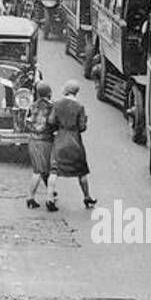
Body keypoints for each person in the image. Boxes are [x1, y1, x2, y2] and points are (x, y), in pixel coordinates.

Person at [48, 80, 95, 212]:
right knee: (82, 172)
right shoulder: (80, 107)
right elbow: (82, 127)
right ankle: (87, 197)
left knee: (54, 170)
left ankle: (49, 199)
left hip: (60, 140)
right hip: (75, 142)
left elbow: (51, 121)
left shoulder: (57, 104)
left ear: (66, 90)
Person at [25, 81, 57, 209]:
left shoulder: (32, 106)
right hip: (46, 140)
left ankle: (31, 197)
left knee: (37, 169)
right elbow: (54, 122)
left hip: (33, 140)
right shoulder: (52, 106)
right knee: (46, 170)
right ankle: (41, 197)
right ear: (49, 93)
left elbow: (26, 122)